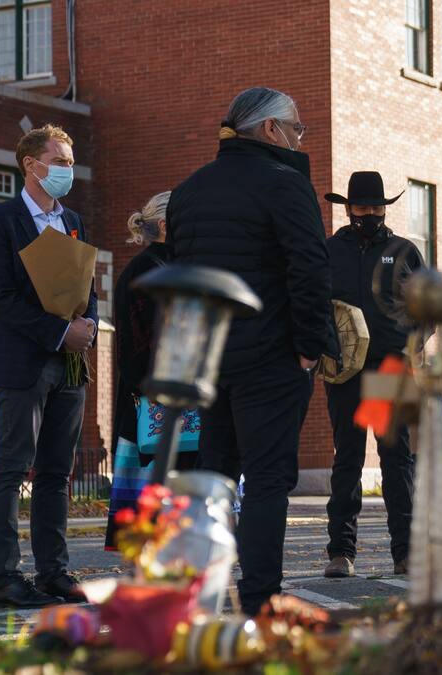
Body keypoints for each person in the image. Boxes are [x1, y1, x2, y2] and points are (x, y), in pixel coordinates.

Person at [167, 87, 338, 615]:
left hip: (209, 358)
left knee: (215, 473)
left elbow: (180, 277)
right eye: (297, 128)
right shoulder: (286, 184)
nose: (299, 137)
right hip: (272, 354)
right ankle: (262, 596)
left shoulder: (188, 191)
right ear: (270, 130)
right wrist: (311, 347)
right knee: (267, 477)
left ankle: (207, 591)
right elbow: (309, 269)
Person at [0, 124, 97, 608]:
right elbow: (1, 299)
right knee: (11, 465)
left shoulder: (74, 221)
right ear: (31, 164)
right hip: (23, 359)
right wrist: (57, 331)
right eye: (60, 161)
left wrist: (87, 326)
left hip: (69, 364)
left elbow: (87, 287)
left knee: (55, 472)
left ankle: (54, 571)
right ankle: (4, 578)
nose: (68, 169)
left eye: (69, 162)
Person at [321, 171, 421, 579]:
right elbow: (315, 305)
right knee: (347, 460)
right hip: (344, 373)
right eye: (363, 208)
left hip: (390, 370)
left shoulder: (404, 251)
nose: (371, 215)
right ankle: (341, 553)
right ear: (349, 209)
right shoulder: (328, 251)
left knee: (397, 462)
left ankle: (407, 553)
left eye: (377, 208)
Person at [105, 192, 200, 549]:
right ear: (164, 225)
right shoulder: (150, 272)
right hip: (157, 405)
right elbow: (150, 345)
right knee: (162, 512)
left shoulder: (168, 267)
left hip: (167, 404)